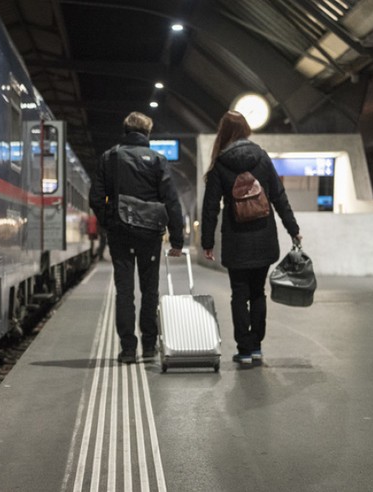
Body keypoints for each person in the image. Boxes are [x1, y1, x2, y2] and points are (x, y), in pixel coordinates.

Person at [200, 111, 302, 365]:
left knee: (239, 293)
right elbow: (279, 197)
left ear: (223, 133)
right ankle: (256, 345)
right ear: (246, 129)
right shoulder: (262, 158)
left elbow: (210, 206)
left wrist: (207, 242)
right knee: (258, 292)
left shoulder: (220, 164)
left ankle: (244, 350)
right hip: (264, 236)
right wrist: (293, 229)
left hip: (236, 240)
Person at [89, 111, 185, 364]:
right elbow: (171, 201)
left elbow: (96, 198)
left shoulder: (109, 157)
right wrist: (177, 239)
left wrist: (109, 222)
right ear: (147, 133)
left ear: (125, 130)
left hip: (120, 231)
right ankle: (150, 347)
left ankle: (128, 349)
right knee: (149, 289)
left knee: (124, 291)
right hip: (150, 233)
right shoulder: (157, 160)